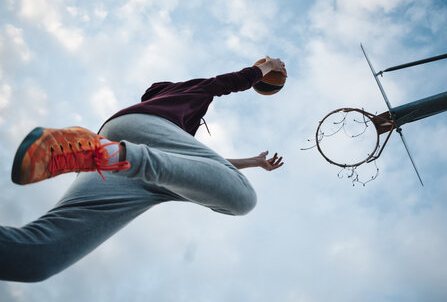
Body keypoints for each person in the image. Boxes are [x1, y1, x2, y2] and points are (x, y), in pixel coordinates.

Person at [1, 56, 287, 282]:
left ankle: (100, 154)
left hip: (116, 156)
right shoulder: (185, 94)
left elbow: (206, 168)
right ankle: (108, 155)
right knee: (243, 198)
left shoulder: (176, 141)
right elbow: (225, 83)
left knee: (37, 258)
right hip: (139, 143)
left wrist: (253, 161)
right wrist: (267, 67)